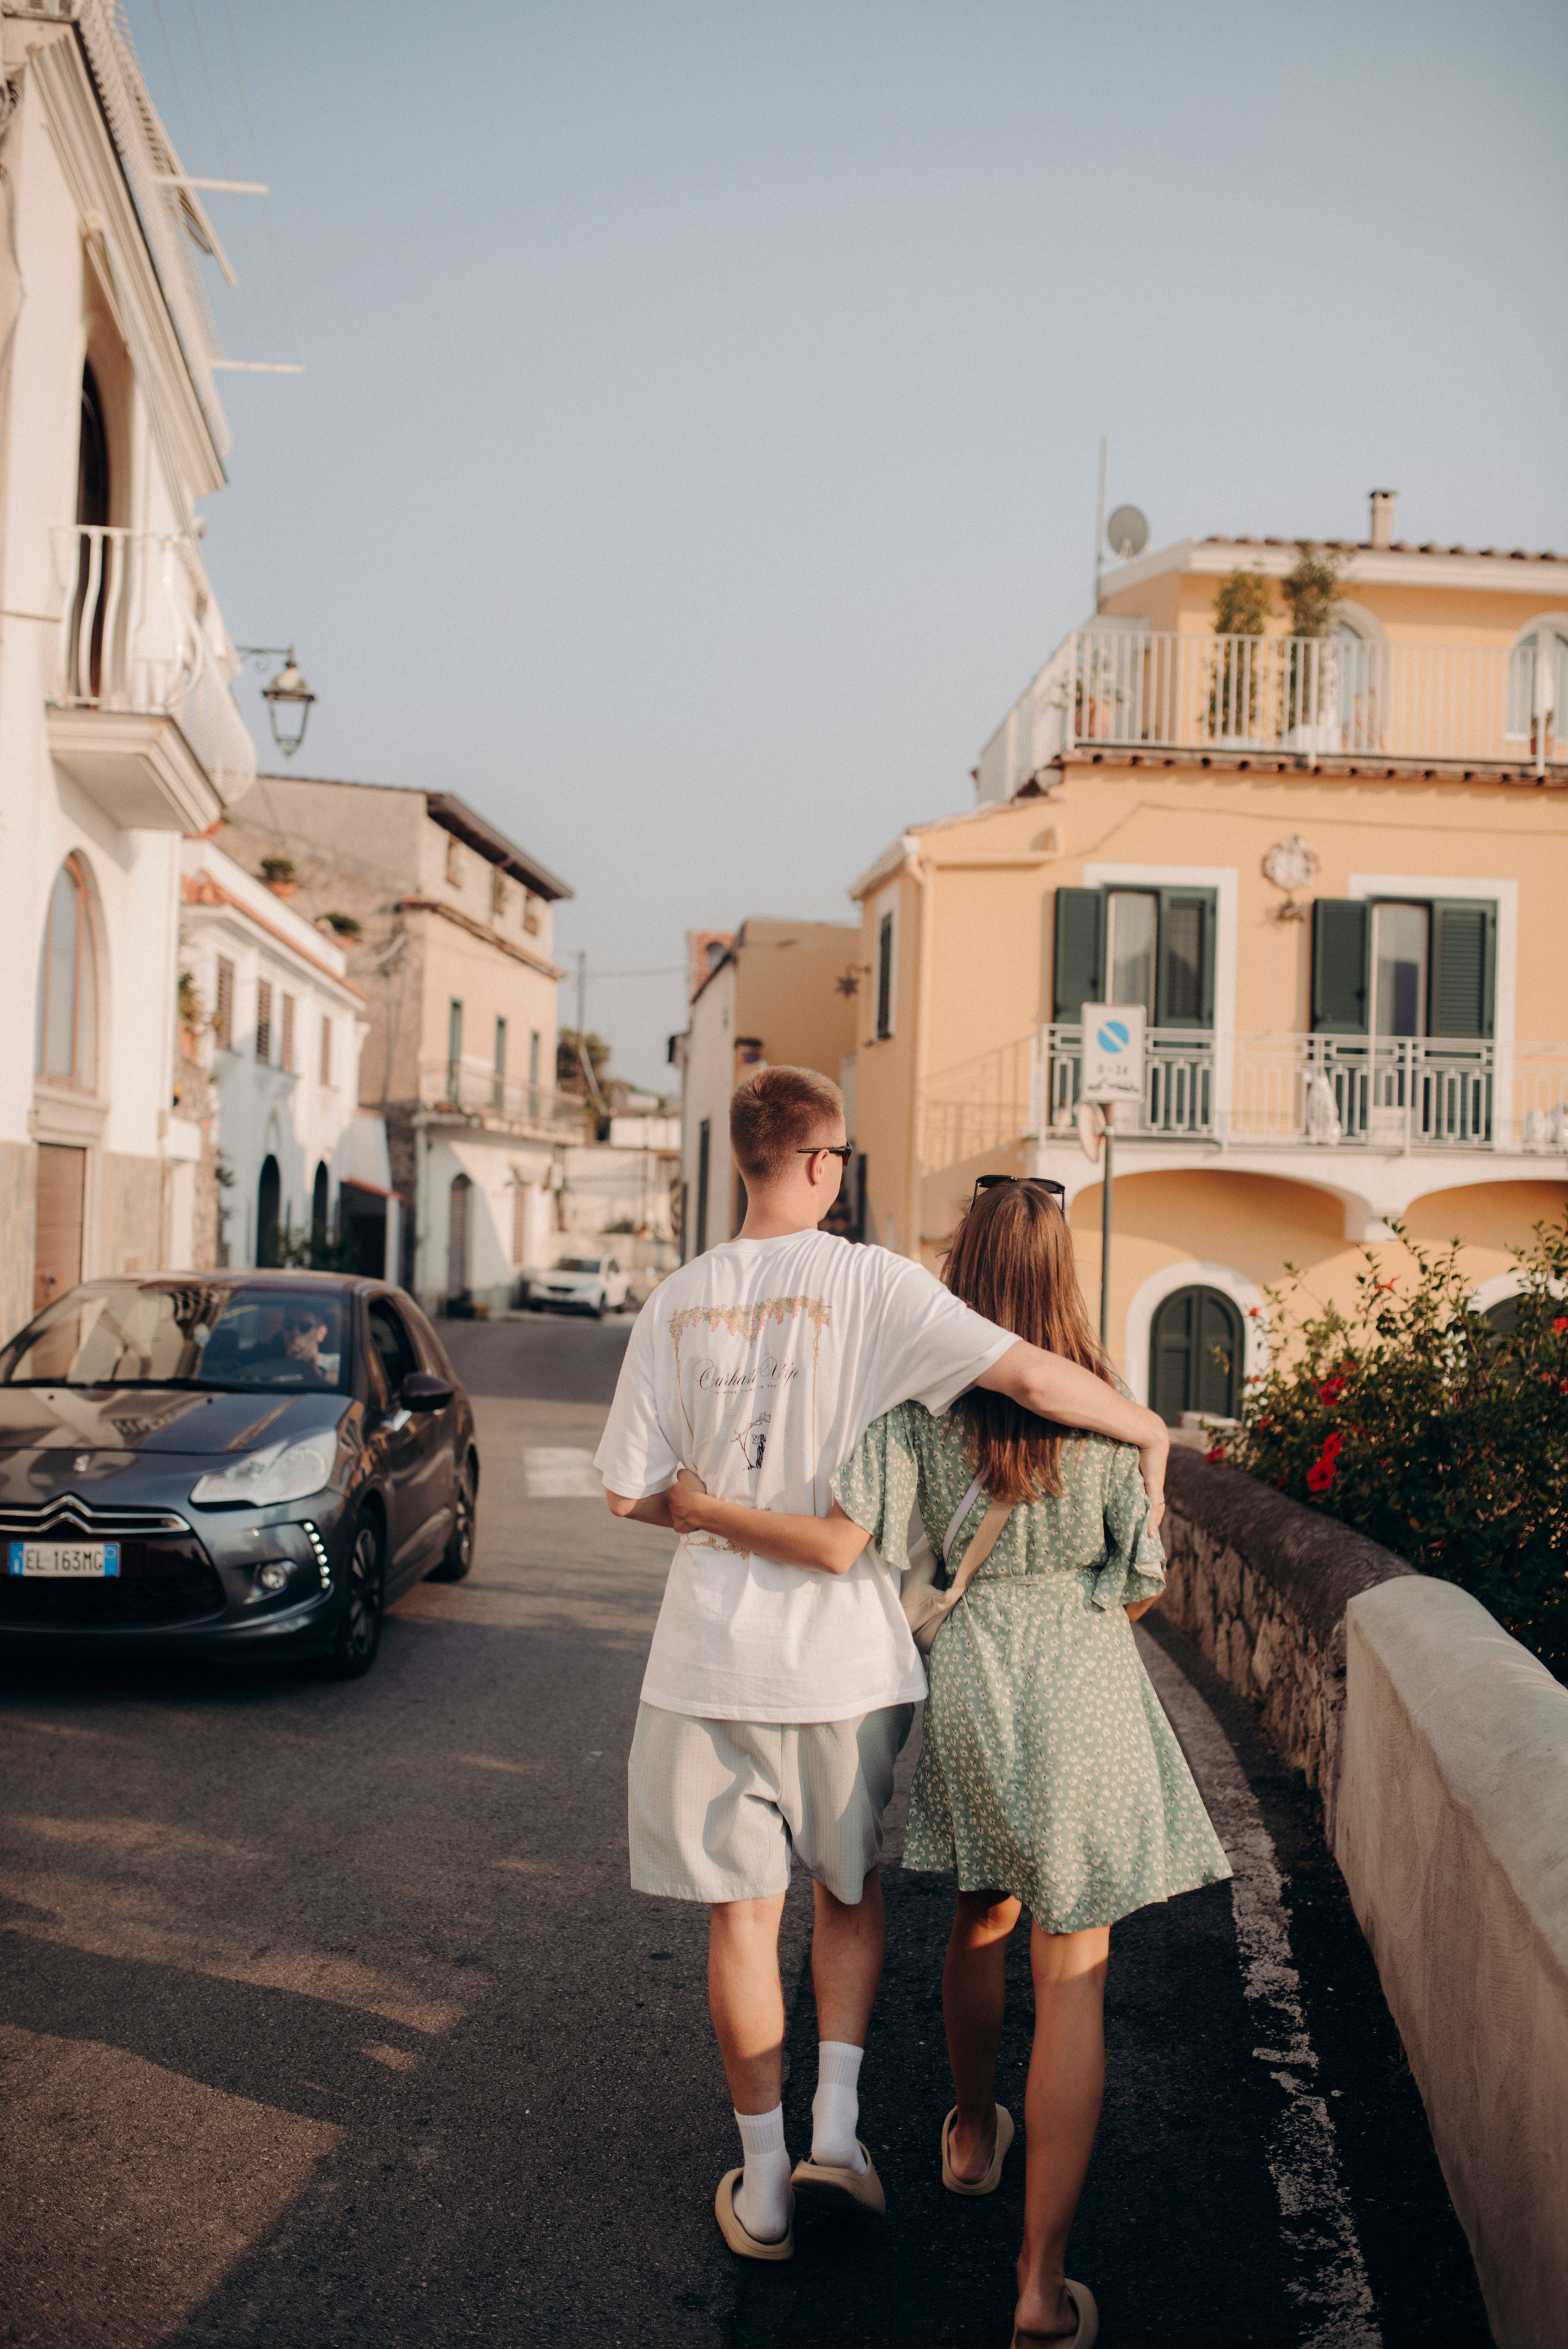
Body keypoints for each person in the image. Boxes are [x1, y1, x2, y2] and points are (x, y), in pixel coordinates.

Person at [595, 1065, 1172, 2267]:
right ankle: (839, 2133)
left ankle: (763, 2189)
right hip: (838, 1665)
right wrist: (1146, 1425)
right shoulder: (870, 1282)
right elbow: (1026, 1374)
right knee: (846, 1894)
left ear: (745, 1157)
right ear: (822, 1163)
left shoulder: (676, 1299)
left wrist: (708, 1511)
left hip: (703, 1657)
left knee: (739, 1919)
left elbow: (629, 1492)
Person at [675, 1176, 1232, 2345]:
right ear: (1065, 1272)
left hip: (974, 1679)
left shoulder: (919, 1405)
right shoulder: (1108, 1410)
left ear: (963, 1271)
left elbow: (858, 1540)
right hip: (1083, 1683)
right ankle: (1039, 2285)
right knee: (1074, 1967)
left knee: (983, 1911)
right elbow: (1140, 1582)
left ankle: (973, 2136)